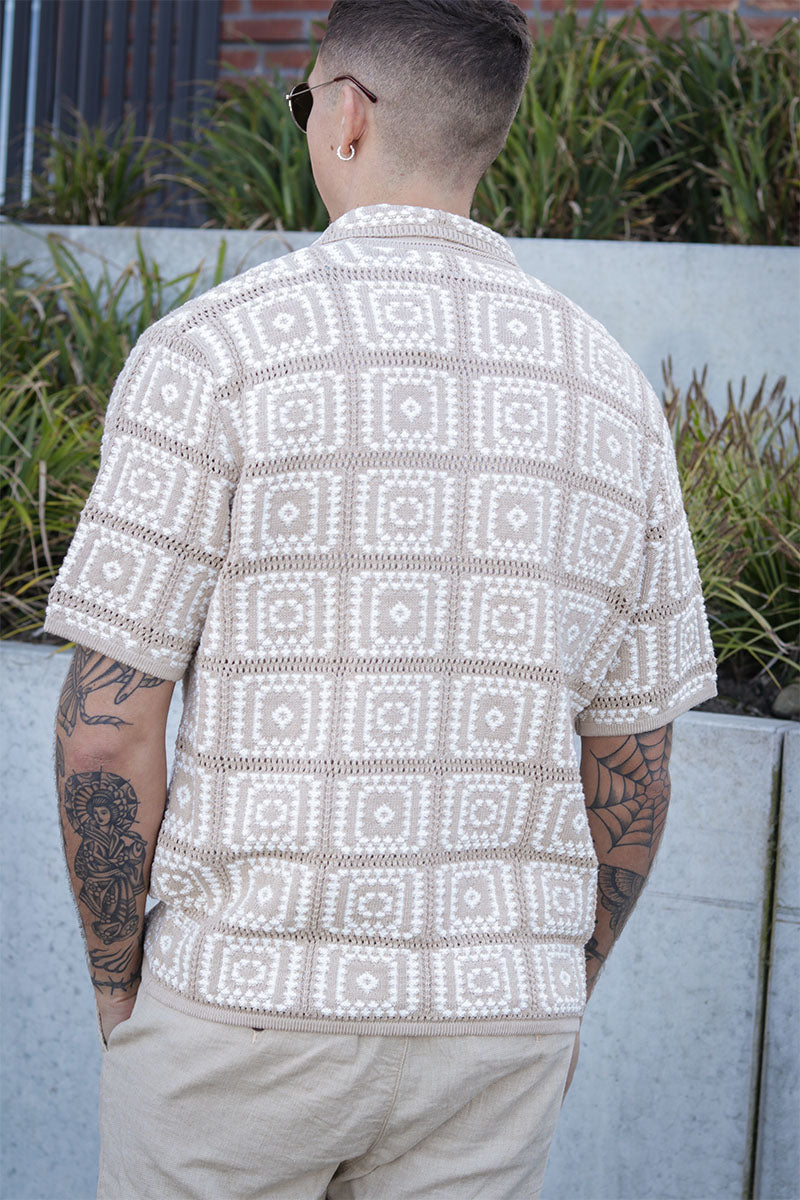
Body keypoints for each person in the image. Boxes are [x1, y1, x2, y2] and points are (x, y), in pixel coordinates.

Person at [45, 1, 717, 1196]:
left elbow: (109, 727)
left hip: (242, 1009)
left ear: (345, 114)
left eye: (301, 100)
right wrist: (555, 982)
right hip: (498, 1030)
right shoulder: (612, 393)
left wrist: (118, 992)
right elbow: (635, 760)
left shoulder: (215, 354)